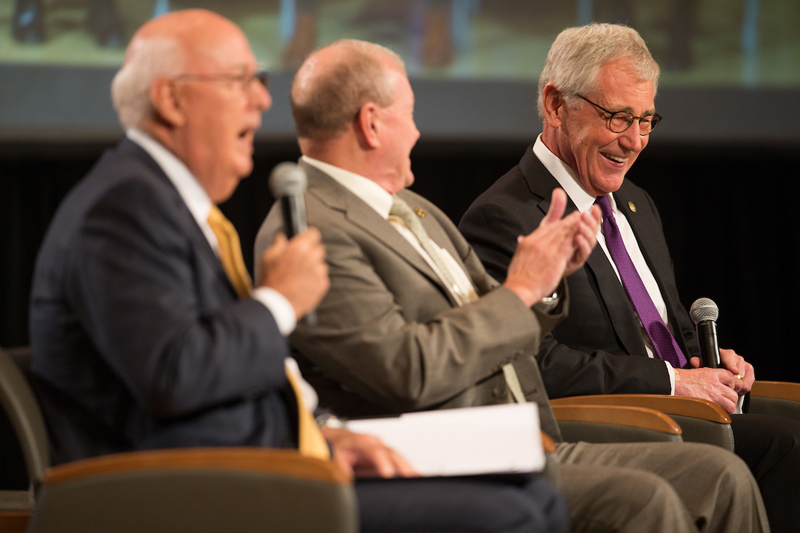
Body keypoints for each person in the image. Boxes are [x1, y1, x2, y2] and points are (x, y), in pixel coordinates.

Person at [28, 10, 572, 533]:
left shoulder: (164, 205)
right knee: (514, 513)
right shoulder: (125, 209)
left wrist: (326, 433)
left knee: (531, 496)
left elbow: (215, 368)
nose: (263, 99)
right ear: (171, 99)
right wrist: (278, 302)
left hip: (262, 464)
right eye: (240, 81)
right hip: (188, 490)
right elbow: (178, 375)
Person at [255, 37, 769, 533]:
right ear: (371, 124)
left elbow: (504, 317)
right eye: (409, 114)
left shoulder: (416, 210)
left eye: (645, 121)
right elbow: (407, 370)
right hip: (464, 446)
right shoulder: (310, 231)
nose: (417, 133)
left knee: (721, 479)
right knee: (648, 500)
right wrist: (522, 290)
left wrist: (544, 284)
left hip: (523, 431)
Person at [459, 22, 800, 532]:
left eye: (646, 120)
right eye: (618, 117)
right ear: (555, 105)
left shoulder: (637, 205)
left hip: (687, 412)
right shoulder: (505, 217)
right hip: (621, 424)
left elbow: (674, 331)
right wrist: (673, 382)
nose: (636, 141)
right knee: (787, 446)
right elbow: (534, 365)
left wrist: (708, 364)